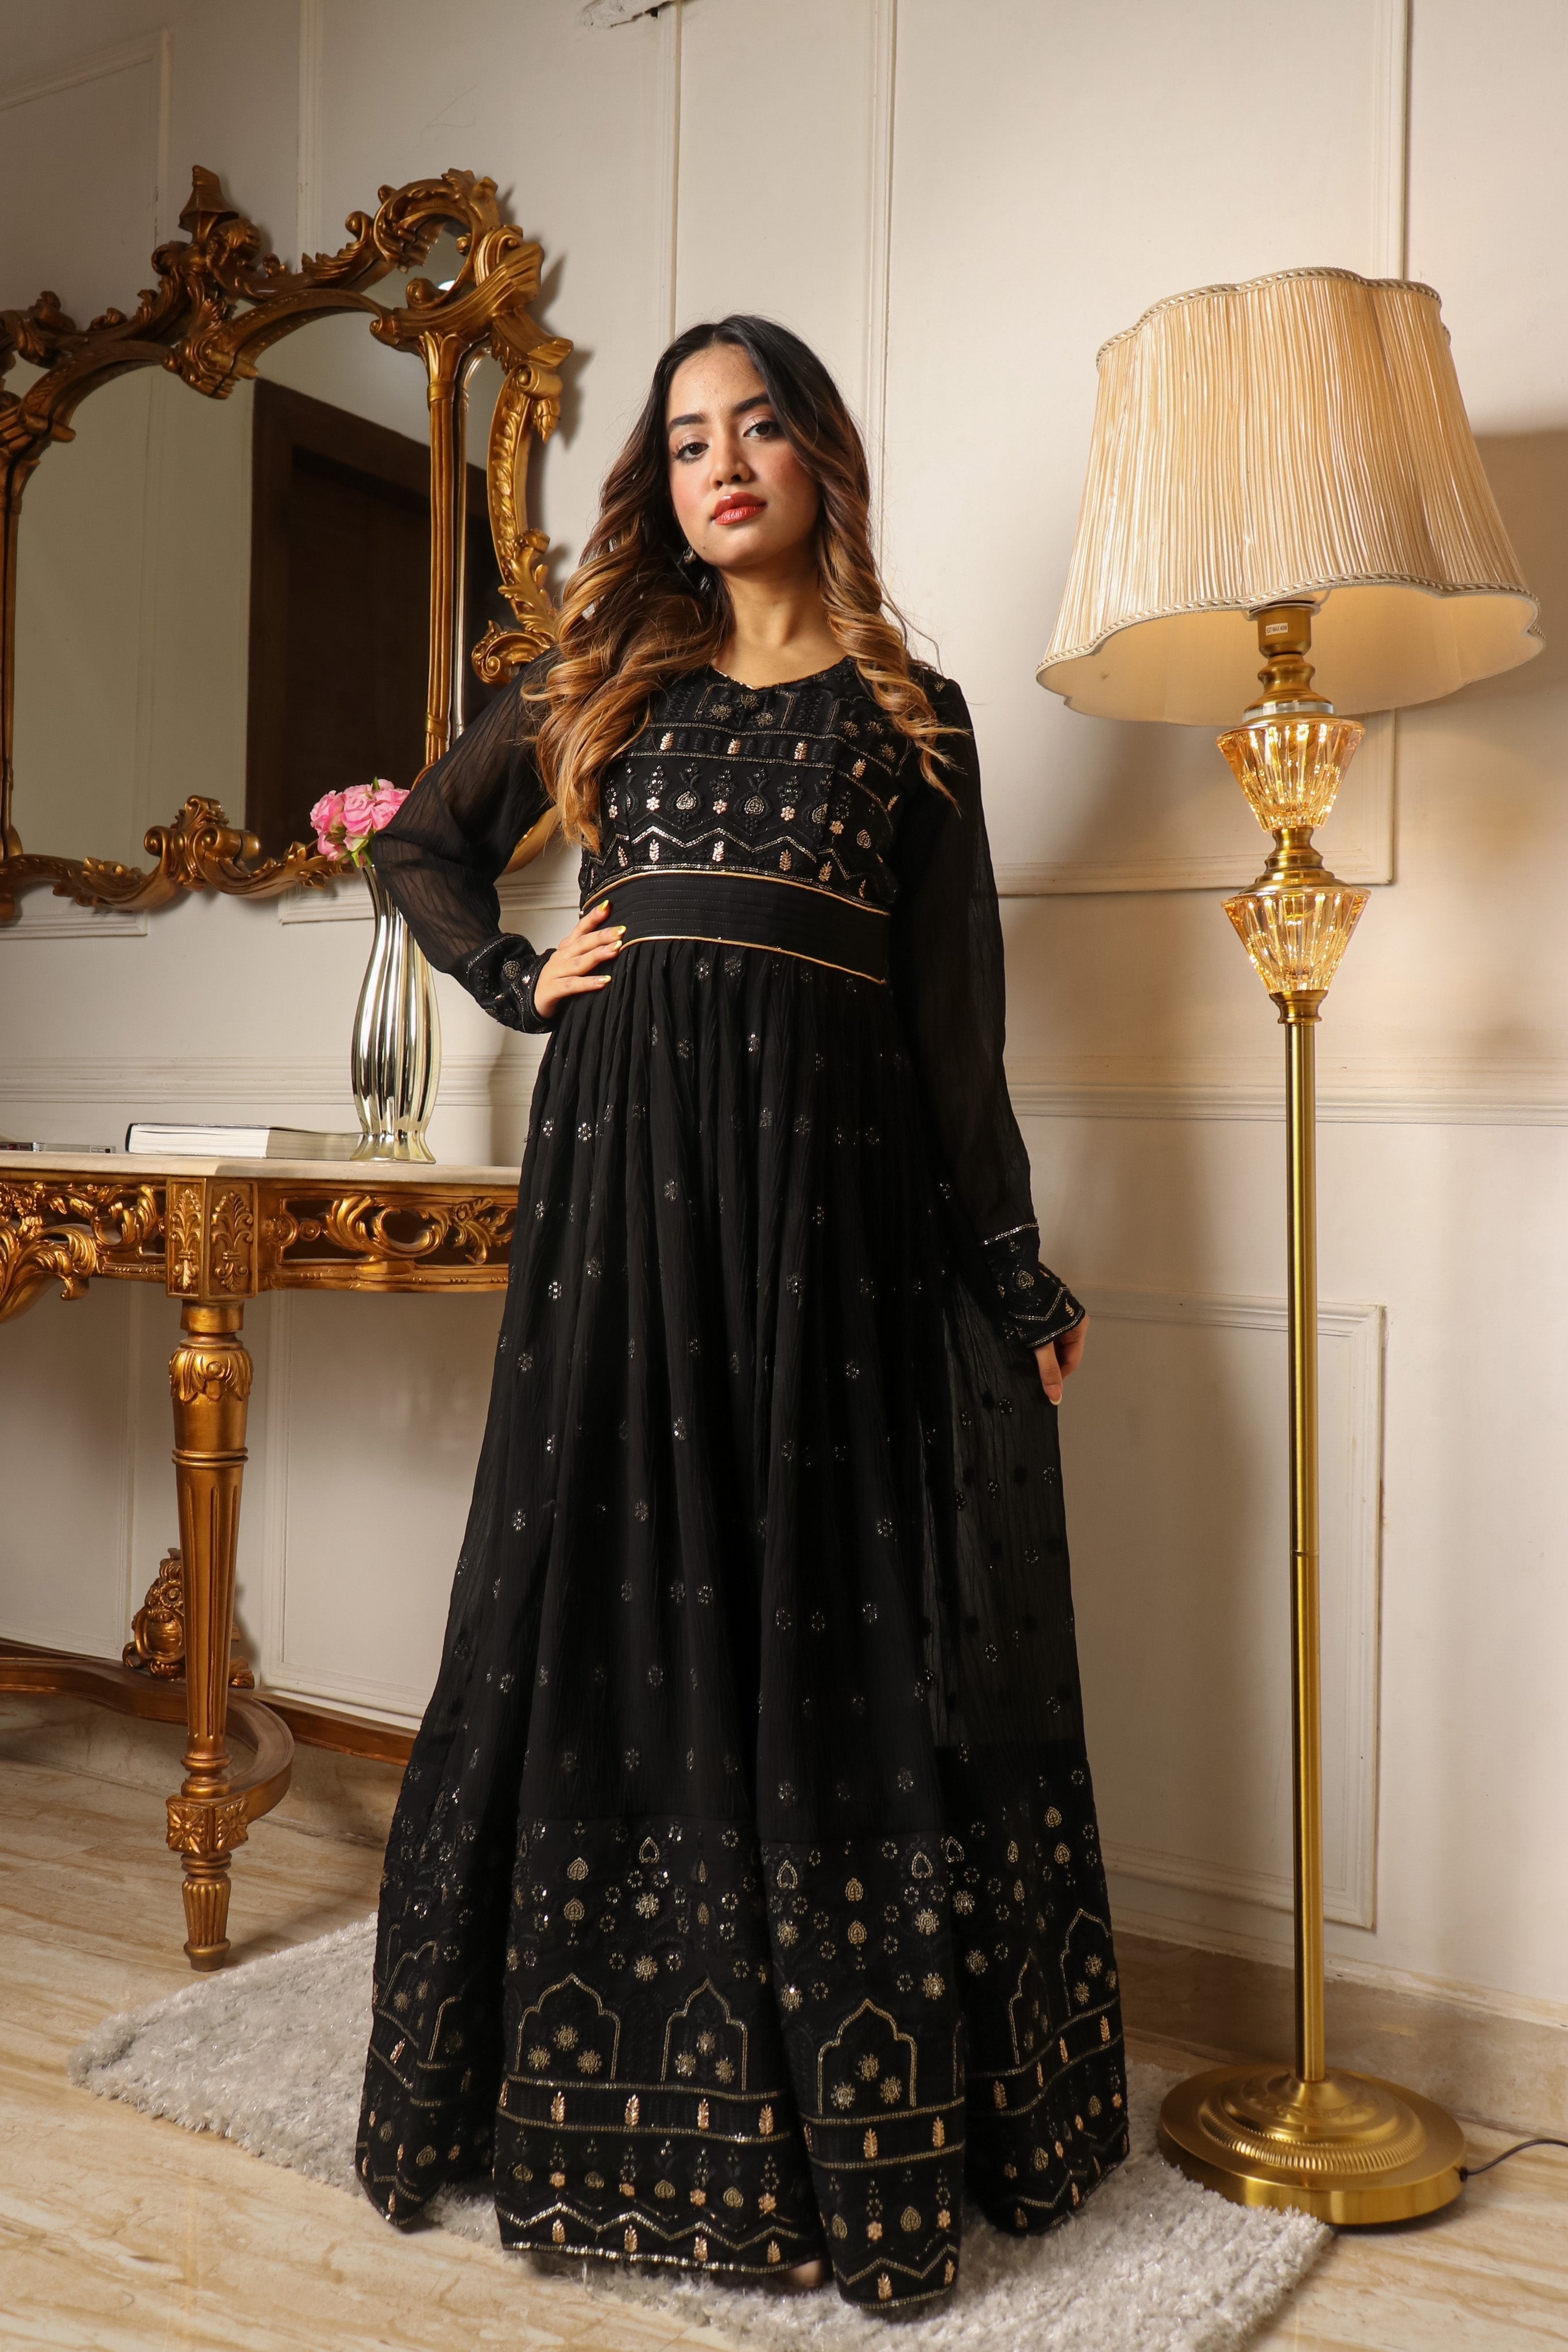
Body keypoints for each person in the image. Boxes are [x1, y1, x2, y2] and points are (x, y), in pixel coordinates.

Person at [357, 314, 1127, 2311]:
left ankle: (831, 2108)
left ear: (816, 461)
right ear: (666, 482)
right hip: (625, 1194)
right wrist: (519, 981)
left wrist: (1011, 1265)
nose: (720, 462)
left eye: (756, 425)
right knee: (608, 1573)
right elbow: (423, 847)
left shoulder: (914, 719)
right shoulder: (610, 678)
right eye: (688, 436)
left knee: (813, 1598)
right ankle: (582, 2084)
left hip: (831, 1221)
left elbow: (955, 1028)